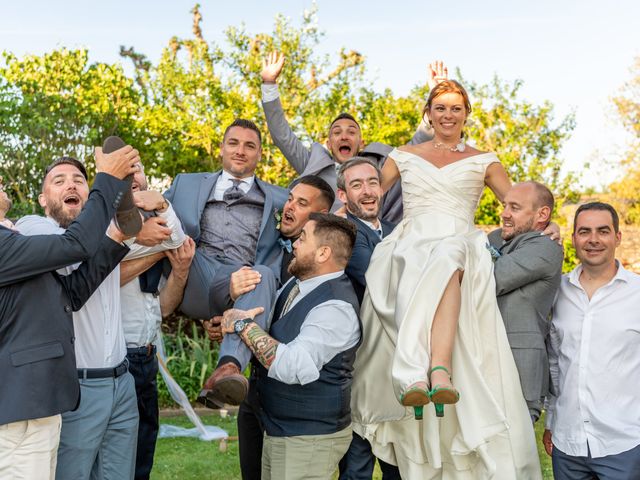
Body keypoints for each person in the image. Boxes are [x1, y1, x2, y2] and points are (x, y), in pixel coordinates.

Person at [351, 80, 542, 478]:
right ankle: (422, 379)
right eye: (440, 108)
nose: (448, 115)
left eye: (456, 108)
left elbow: (517, 203)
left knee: (451, 254)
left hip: (460, 243)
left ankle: (436, 370)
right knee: (429, 260)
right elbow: (366, 194)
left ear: (466, 113)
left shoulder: (484, 159)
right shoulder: (402, 155)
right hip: (409, 246)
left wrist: (547, 225)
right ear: (429, 113)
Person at [17, 155, 183, 480]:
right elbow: (74, 248)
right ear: (42, 199)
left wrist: (162, 204)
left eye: (79, 180)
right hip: (78, 386)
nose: (71, 184)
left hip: (123, 383)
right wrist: (129, 233)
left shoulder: (109, 235)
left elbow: (175, 240)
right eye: (59, 180)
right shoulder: (33, 228)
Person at [0, 147, 138, 479]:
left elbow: (70, 293)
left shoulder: (10, 240)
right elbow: (74, 245)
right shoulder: (11, 241)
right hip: (17, 413)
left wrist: (118, 236)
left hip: (41, 405)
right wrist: (106, 177)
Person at [203, 175, 335, 480]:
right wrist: (226, 313)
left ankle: (228, 366)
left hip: (299, 402)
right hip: (255, 393)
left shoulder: (329, 265)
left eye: (301, 203)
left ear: (322, 216)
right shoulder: (268, 249)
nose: (288, 206)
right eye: (290, 198)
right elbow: (234, 287)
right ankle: (228, 368)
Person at [218, 213, 361, 480]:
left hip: (309, 440)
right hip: (282, 431)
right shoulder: (297, 285)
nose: (294, 243)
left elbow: (293, 366)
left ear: (323, 253)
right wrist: (228, 322)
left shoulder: (336, 308)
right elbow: (269, 327)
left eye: (303, 238)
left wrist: (241, 326)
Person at [165, 118, 289, 408]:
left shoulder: (280, 199)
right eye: (233, 143)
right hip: (195, 271)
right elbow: (158, 216)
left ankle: (228, 368)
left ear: (260, 154)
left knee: (264, 274)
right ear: (221, 148)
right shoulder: (187, 183)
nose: (240, 151)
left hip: (245, 286)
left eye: (250, 146)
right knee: (162, 218)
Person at [261, 53, 448, 223]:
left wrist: (438, 96)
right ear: (329, 144)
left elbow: (417, 143)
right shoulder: (312, 165)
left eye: (351, 132)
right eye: (337, 132)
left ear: (361, 143)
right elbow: (282, 135)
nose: (344, 136)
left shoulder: (378, 168)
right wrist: (269, 84)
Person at [543, 202, 640, 479]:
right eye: (584, 231)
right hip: (568, 442)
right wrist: (551, 421)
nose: (593, 240)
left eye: (603, 231)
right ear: (573, 238)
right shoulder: (557, 291)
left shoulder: (637, 293)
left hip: (625, 443)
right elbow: (555, 363)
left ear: (617, 238)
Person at [118, 160, 195, 480]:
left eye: (136, 169)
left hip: (146, 356)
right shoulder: (110, 228)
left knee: (143, 450)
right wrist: (162, 248)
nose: (132, 176)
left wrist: (180, 271)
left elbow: (163, 307)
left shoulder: (153, 225)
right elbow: (103, 275)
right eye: (123, 172)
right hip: (117, 357)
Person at [336, 156, 399, 480]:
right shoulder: (343, 231)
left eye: (372, 182)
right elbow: (376, 274)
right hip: (363, 364)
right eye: (356, 184)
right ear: (343, 195)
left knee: (399, 461)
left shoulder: (397, 230)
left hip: (399, 363)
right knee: (357, 465)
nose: (367, 190)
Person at [487, 182, 563, 423]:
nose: (505, 214)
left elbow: (490, 278)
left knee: (512, 456)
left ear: (542, 214)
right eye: (505, 205)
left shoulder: (546, 247)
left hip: (519, 370)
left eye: (515, 208)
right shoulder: (496, 238)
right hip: (486, 365)